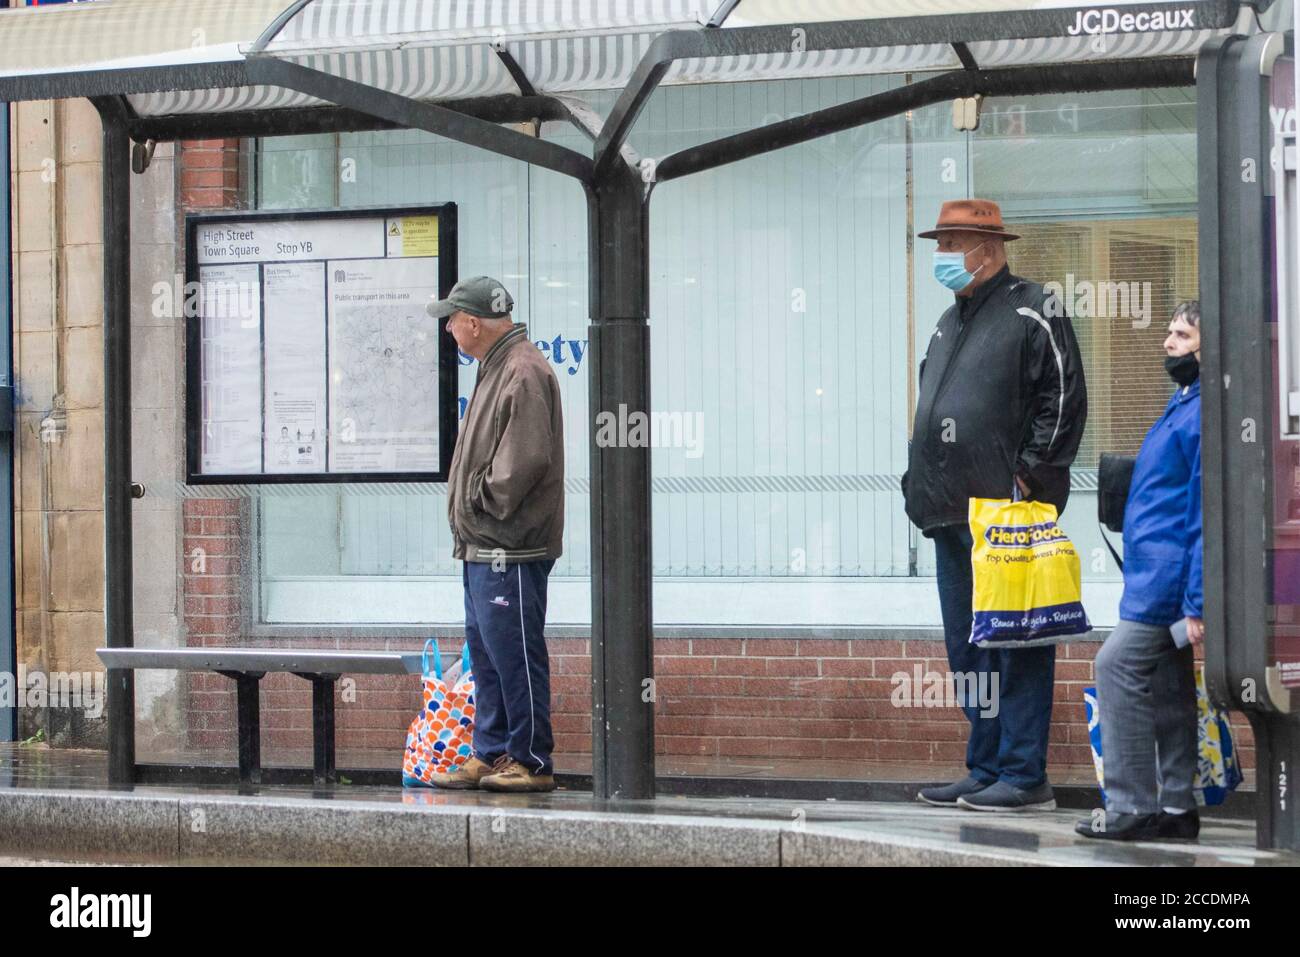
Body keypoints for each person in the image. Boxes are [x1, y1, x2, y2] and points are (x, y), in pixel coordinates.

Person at [905, 199, 1088, 812]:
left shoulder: (1035, 306)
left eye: (950, 243)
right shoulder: (947, 321)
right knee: (969, 650)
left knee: (1017, 643)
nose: (940, 254)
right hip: (949, 512)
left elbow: (1063, 397)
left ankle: (1024, 775)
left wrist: (1029, 476)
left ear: (988, 249)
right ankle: (985, 767)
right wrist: (915, 480)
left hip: (1007, 514)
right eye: (939, 243)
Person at [426, 276, 564, 793]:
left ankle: (530, 761)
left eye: (451, 319)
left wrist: (477, 501)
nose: (448, 329)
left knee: (515, 656)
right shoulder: (497, 365)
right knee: (486, 654)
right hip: (483, 544)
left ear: (473, 323)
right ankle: (492, 752)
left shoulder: (521, 370)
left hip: (510, 544)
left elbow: (524, 461)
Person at [1076, 300, 1203, 842]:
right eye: (1170, 332)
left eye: (1183, 336)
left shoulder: (1204, 413)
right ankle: (1176, 806)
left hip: (1166, 584)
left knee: (1115, 666)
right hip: (1155, 573)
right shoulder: (1184, 402)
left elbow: (1205, 512)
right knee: (1169, 686)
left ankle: (1131, 805)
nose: (1169, 343)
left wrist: (1197, 601)